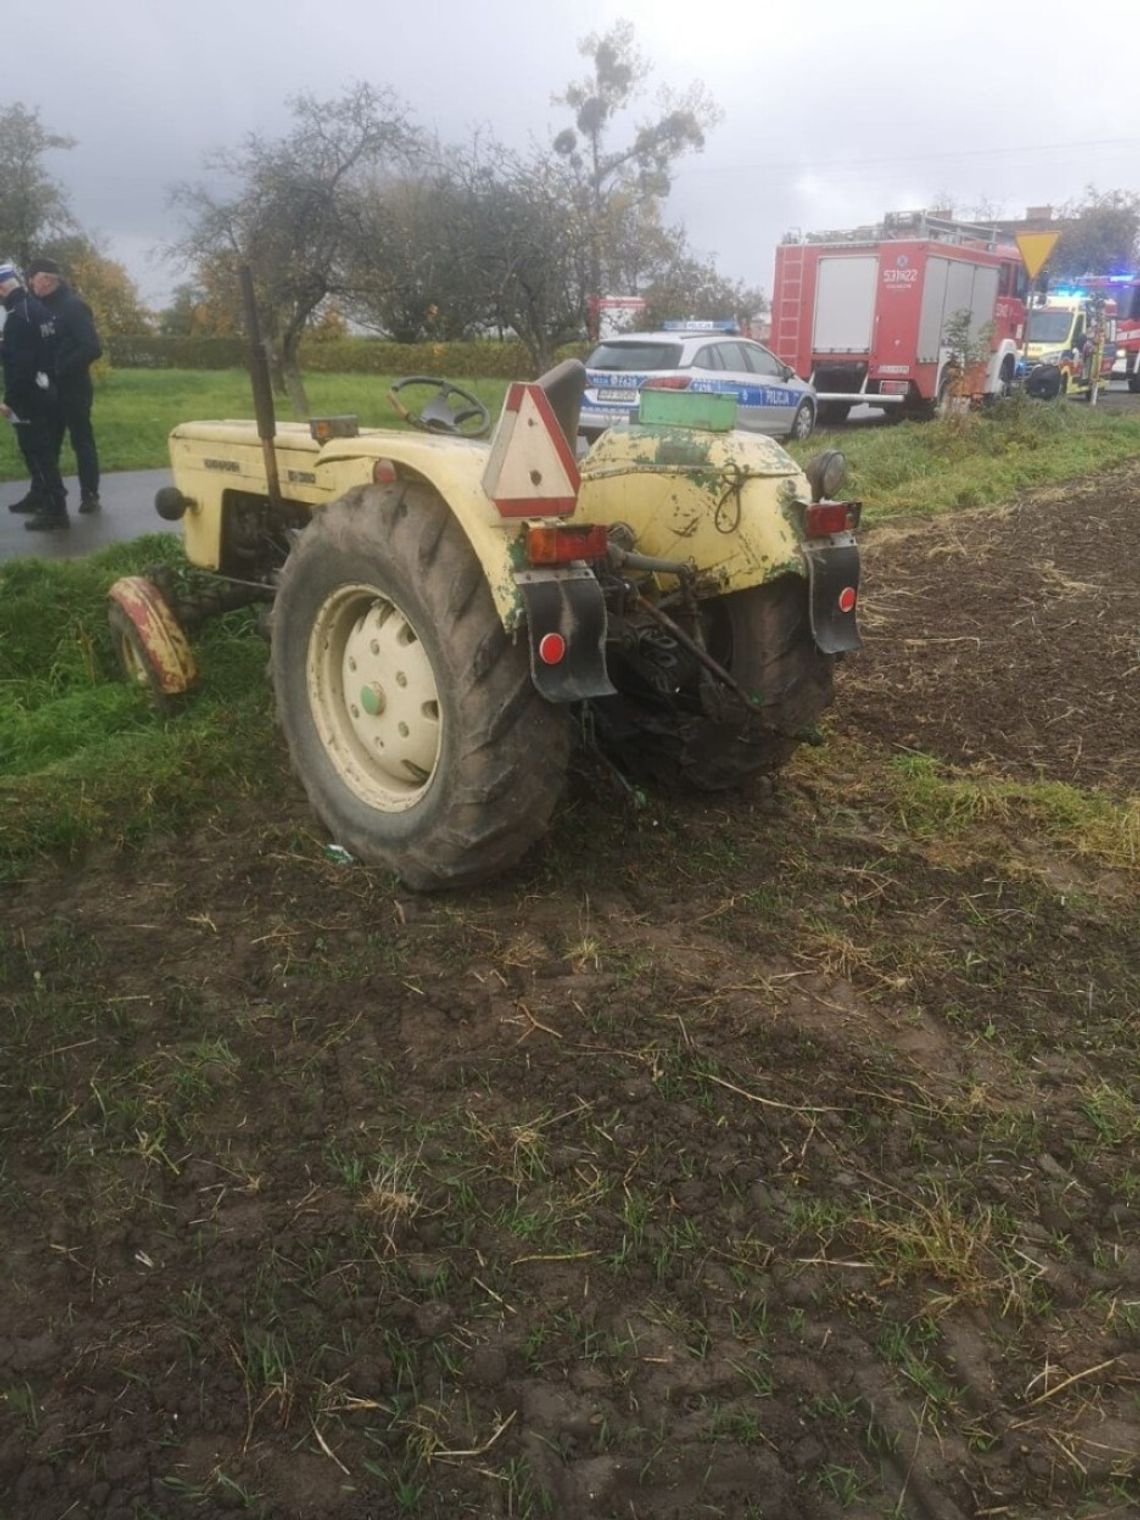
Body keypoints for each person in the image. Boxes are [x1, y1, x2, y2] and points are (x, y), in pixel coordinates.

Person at [27, 256, 102, 513]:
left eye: (33, 279)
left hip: (74, 387)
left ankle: (90, 494)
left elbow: (92, 347)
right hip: (48, 389)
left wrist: (60, 369)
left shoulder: (73, 307)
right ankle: (48, 495)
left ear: (47, 279)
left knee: (81, 441)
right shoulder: (38, 309)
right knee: (48, 444)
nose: (31, 285)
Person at [0, 262, 68, 531]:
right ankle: (44, 499)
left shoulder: (18, 316)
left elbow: (21, 366)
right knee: (41, 450)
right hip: (46, 389)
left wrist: (9, 401)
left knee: (37, 453)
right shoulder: (37, 309)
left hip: (28, 396)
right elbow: (33, 351)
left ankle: (55, 509)